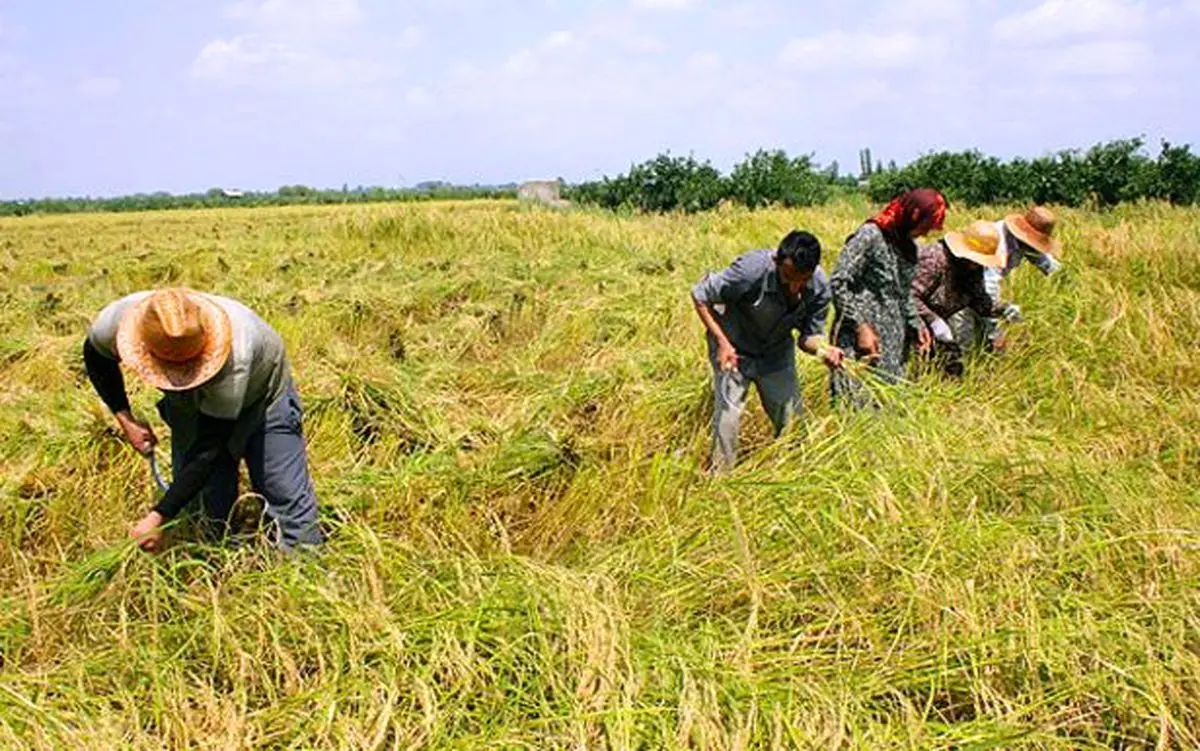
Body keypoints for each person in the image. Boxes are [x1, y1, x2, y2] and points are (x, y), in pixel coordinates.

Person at [83, 288, 323, 552]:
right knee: (203, 505)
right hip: (189, 405)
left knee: (284, 492)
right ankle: (214, 564)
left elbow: (210, 448)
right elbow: (96, 357)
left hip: (263, 397)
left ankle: (302, 565)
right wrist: (126, 419)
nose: (179, 374)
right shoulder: (117, 322)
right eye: (170, 369)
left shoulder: (236, 355)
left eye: (187, 367)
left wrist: (159, 515)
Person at [691, 230, 843, 470]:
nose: (795, 287)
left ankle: (795, 472)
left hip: (775, 354)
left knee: (792, 420)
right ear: (777, 262)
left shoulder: (820, 288)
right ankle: (720, 481)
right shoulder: (750, 271)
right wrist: (722, 342)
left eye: (802, 279)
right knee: (728, 419)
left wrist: (824, 351)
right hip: (734, 350)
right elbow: (700, 296)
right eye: (788, 277)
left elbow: (808, 337)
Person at [830, 189, 943, 407]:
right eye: (924, 226)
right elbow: (838, 281)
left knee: (889, 405)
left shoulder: (909, 247)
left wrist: (916, 325)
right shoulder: (870, 236)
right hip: (860, 343)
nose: (925, 233)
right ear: (913, 215)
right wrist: (860, 326)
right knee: (856, 407)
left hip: (893, 342)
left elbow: (904, 292)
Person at [949, 205, 1063, 351]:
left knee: (984, 341)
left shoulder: (1025, 243)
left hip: (980, 292)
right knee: (965, 345)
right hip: (958, 290)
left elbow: (1046, 263)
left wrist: (1068, 282)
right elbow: (989, 292)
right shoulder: (996, 243)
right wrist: (995, 332)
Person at [912, 220, 1018, 376]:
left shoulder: (972, 268)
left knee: (952, 368)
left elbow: (979, 300)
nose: (978, 265)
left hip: (937, 326)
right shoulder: (935, 259)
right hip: (908, 321)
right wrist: (934, 322)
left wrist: (1003, 309)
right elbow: (909, 297)